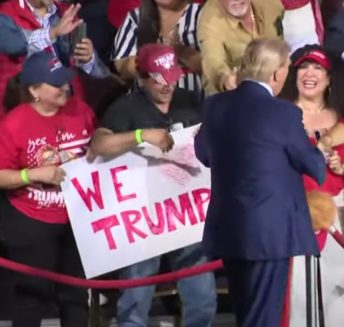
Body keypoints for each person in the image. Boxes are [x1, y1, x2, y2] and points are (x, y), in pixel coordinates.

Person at [195, 38, 326, 326]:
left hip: (229, 230)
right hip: (270, 234)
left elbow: (203, 154)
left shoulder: (215, 105)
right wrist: (320, 149)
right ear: (277, 73)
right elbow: (314, 166)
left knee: (246, 315)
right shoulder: (284, 113)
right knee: (262, 319)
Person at [89, 43, 217, 327]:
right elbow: (99, 144)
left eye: (172, 77)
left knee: (203, 296)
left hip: (187, 213)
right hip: (144, 219)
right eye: (159, 79)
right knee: (135, 296)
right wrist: (140, 135)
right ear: (142, 78)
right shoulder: (126, 106)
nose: (167, 85)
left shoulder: (190, 100)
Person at [0, 51, 97, 327]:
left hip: (77, 219)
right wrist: (32, 174)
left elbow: (98, 144)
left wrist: (103, 138)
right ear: (34, 90)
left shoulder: (81, 110)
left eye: (65, 81)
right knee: (31, 299)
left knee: (76, 297)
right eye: (56, 84)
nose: (65, 88)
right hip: (31, 222)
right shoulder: (14, 124)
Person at [279, 45, 344, 327]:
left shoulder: (343, 118)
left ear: (328, 78)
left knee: (339, 284)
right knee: (297, 287)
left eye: (317, 68)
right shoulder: (280, 114)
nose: (309, 73)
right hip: (294, 211)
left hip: (337, 211)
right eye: (303, 67)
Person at [0, 0, 110, 113]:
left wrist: (87, 58)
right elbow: (16, 44)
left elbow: (92, 69)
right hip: (22, 106)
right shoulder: (5, 13)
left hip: (68, 103)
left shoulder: (66, 12)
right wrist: (52, 33)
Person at [112, 0, 203, 93]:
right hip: (146, 102)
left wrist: (181, 51)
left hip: (194, 99)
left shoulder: (201, 14)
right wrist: (151, 61)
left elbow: (212, 67)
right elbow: (121, 66)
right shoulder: (135, 17)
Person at [197, 0, 284, 95]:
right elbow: (212, 60)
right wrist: (226, 79)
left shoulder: (271, 4)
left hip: (274, 85)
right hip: (230, 95)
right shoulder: (210, 20)